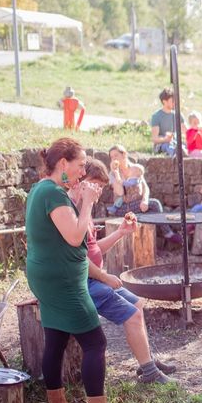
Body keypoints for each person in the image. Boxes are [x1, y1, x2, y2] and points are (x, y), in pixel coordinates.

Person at [25, 138, 129, 403]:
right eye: (80, 165)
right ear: (63, 164)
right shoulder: (52, 194)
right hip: (63, 282)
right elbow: (74, 237)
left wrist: (75, 197)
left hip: (46, 276)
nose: (83, 172)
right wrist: (86, 203)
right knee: (96, 342)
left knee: (55, 338)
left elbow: (65, 232)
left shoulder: (42, 189)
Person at [73, 159, 175, 384]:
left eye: (101, 186)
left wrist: (120, 232)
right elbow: (77, 258)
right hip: (85, 282)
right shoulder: (73, 212)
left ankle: (147, 361)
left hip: (94, 278)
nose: (98, 190)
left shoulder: (86, 212)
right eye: (93, 184)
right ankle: (149, 372)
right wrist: (104, 276)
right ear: (79, 181)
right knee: (133, 314)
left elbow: (94, 249)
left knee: (137, 303)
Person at [106, 145, 182, 245]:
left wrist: (145, 200)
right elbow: (120, 192)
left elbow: (145, 187)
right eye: (111, 157)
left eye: (116, 155)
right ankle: (168, 233)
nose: (114, 159)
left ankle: (153, 231)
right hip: (122, 207)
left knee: (152, 206)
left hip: (137, 204)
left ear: (124, 155)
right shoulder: (113, 174)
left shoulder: (135, 169)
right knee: (154, 205)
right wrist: (116, 173)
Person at [150, 88, 184, 156]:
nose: (175, 103)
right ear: (164, 101)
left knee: (184, 148)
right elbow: (154, 138)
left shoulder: (178, 115)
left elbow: (186, 131)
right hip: (162, 145)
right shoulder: (156, 116)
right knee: (170, 148)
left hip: (175, 142)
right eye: (172, 101)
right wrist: (166, 139)